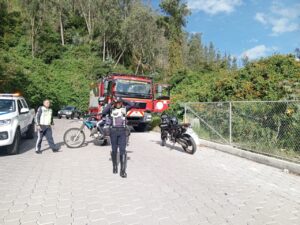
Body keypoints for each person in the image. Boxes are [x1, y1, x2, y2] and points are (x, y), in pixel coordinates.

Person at [101, 97, 135, 178]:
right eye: (117, 103)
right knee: (114, 150)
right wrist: (111, 103)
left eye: (120, 103)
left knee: (123, 150)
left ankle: (122, 171)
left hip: (122, 131)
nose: (118, 104)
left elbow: (132, 104)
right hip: (113, 131)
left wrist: (123, 100)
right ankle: (115, 167)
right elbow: (103, 112)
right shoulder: (111, 109)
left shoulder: (124, 109)